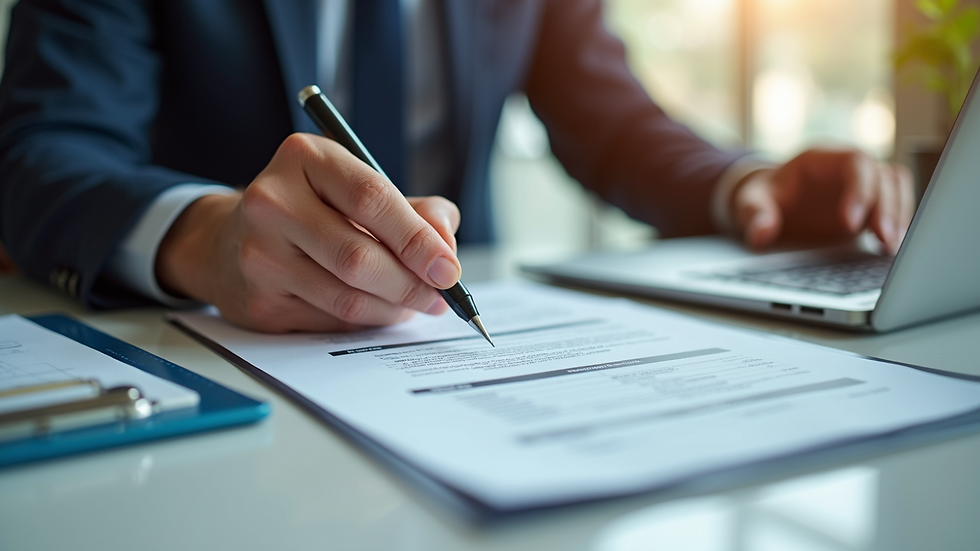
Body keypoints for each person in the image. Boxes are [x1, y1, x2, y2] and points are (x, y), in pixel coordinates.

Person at [0, 0, 912, 333]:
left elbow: (611, 119)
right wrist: (205, 239)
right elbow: (41, 151)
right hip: (207, 350)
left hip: (443, 337)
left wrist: (745, 183)